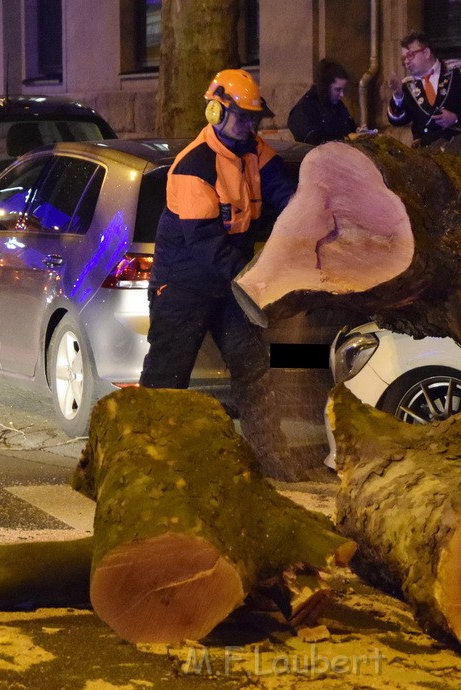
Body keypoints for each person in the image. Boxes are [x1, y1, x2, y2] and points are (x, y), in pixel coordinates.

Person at [139, 68, 294, 468]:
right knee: (168, 374)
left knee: (254, 365)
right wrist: (255, 278)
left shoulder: (255, 151)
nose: (248, 125)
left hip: (228, 282)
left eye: (254, 118)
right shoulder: (194, 167)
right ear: (215, 111)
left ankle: (271, 454)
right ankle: (149, 458)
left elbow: (286, 194)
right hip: (184, 285)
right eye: (241, 117)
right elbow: (207, 245)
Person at [387, 31, 461, 146]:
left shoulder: (460, 72)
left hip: (458, 150)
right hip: (424, 155)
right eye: (404, 58)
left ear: (426, 52)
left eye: (410, 55)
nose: (406, 62)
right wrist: (398, 94)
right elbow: (397, 121)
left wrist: (456, 118)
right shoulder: (408, 85)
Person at [287, 58, 358, 145]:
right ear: (325, 87)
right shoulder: (304, 110)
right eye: (337, 90)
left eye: (343, 90)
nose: (342, 94)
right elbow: (316, 142)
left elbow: (350, 130)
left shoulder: (338, 106)